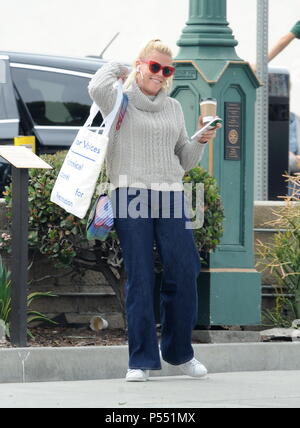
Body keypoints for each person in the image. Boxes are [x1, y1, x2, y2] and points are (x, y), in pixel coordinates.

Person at [88, 39, 221, 382]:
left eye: (167, 70)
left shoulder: (174, 107)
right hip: (129, 191)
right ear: (141, 65)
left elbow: (183, 160)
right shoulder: (119, 100)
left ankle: (180, 353)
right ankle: (141, 360)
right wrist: (124, 67)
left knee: (185, 269)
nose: (161, 75)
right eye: (155, 67)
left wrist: (199, 141)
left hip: (171, 194)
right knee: (141, 275)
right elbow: (96, 84)